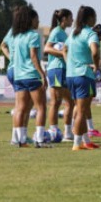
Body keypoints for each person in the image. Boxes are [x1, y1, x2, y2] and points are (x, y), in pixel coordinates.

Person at [11, 7, 49, 148]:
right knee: (41, 107)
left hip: (19, 76)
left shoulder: (16, 36)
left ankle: (20, 140)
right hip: (32, 76)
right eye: (36, 18)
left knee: (20, 108)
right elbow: (33, 56)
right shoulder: (33, 35)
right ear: (30, 20)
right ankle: (40, 140)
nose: (38, 21)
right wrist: (42, 73)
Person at [64, 5, 101, 151]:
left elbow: (64, 49)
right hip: (84, 75)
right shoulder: (90, 34)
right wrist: (96, 65)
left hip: (71, 75)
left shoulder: (73, 33)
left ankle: (86, 141)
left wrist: (70, 63)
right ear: (90, 18)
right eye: (95, 17)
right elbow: (95, 51)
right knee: (81, 110)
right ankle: (76, 143)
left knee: (82, 109)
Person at [44, 9, 74, 141]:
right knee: (55, 102)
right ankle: (54, 132)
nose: (72, 20)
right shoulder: (56, 31)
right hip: (56, 69)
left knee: (71, 102)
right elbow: (47, 48)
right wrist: (63, 53)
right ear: (64, 19)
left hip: (64, 70)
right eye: (70, 18)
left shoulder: (64, 33)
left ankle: (68, 133)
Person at [2, 23, 34, 145]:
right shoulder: (25, 32)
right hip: (20, 70)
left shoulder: (13, 30)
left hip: (13, 69)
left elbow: (3, 45)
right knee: (23, 105)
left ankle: (19, 136)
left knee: (24, 104)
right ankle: (18, 137)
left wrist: (11, 58)